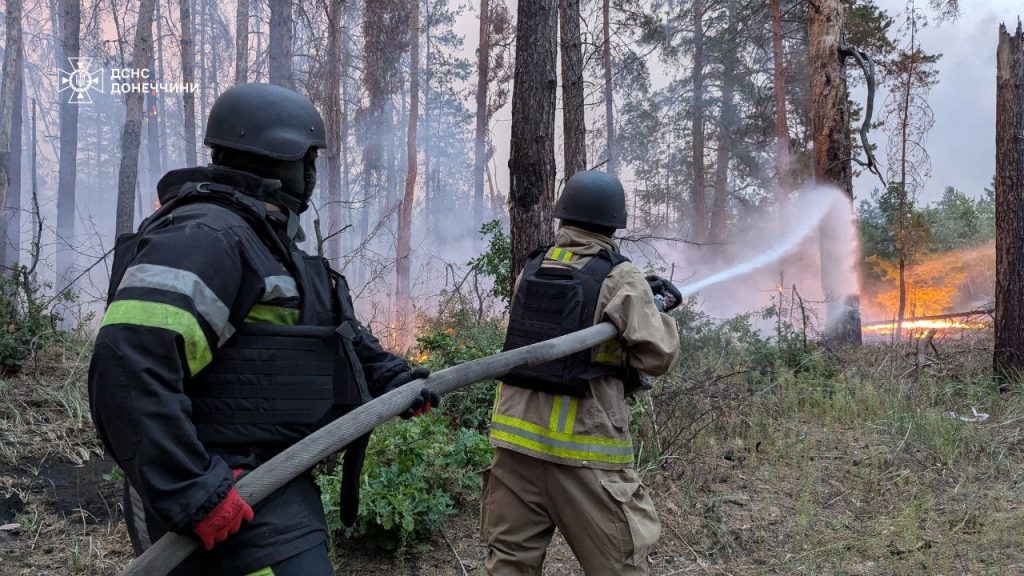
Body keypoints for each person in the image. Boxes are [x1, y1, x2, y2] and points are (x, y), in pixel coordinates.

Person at [88, 83, 438, 576]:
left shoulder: (267, 242)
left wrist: (393, 378)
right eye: (307, 159)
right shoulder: (206, 236)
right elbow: (128, 361)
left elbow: (332, 336)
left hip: (274, 482)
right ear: (274, 159)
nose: (313, 174)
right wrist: (193, 489)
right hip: (225, 491)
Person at [481, 170, 681, 576]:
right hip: (583, 454)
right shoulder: (621, 277)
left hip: (515, 448)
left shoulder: (533, 267)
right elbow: (658, 355)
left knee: (508, 568)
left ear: (564, 216)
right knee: (622, 567)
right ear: (614, 223)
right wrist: (651, 310)